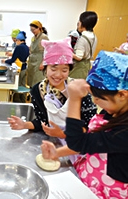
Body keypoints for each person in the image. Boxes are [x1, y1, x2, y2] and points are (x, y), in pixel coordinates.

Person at [42, 51, 128, 198]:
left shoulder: (124, 131)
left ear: (122, 95)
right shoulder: (115, 112)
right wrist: (58, 153)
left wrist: (75, 99)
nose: (95, 102)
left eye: (100, 98)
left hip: (108, 191)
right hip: (88, 178)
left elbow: (78, 142)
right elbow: (88, 143)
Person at [8, 37, 97, 163]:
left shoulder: (79, 91)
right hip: (53, 145)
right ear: (45, 68)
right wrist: (25, 125)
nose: (58, 75)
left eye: (64, 70)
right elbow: (42, 121)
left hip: (79, 149)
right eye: (53, 69)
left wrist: (62, 134)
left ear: (70, 70)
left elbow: (90, 127)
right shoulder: (38, 91)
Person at [69, 11, 98, 79]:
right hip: (87, 66)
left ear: (83, 23)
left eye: (80, 20)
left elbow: (79, 57)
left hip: (78, 68)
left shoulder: (82, 39)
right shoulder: (94, 36)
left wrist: (68, 52)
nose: (78, 22)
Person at [3, 31, 30, 102]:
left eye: (16, 40)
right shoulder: (26, 47)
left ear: (18, 40)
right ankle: (23, 103)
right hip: (25, 68)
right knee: (23, 86)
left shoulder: (18, 47)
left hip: (19, 69)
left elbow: (12, 60)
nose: (15, 42)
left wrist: (4, 61)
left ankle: (17, 102)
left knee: (17, 86)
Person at [26, 20, 49, 88]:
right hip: (32, 60)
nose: (33, 31)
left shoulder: (43, 37)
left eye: (33, 29)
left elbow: (47, 51)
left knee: (38, 81)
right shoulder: (33, 38)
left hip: (39, 60)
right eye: (31, 30)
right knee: (31, 80)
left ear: (39, 28)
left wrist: (43, 63)